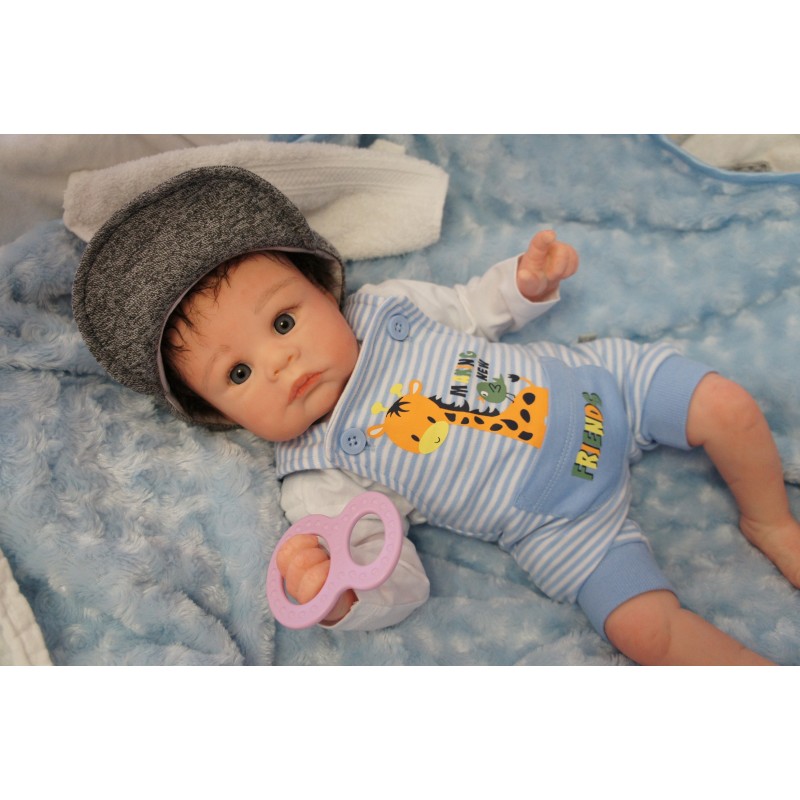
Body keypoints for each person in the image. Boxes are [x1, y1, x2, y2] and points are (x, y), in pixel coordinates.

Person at [73, 166, 800, 665]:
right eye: (238, 374)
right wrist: (341, 592)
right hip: (564, 526)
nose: (279, 362)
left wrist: (525, 284)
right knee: (648, 632)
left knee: (727, 405)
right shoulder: (317, 476)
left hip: (602, 390)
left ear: (326, 290)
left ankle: (770, 522)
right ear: (217, 414)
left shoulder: (389, 308)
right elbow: (396, 576)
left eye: (284, 322)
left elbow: (474, 309)